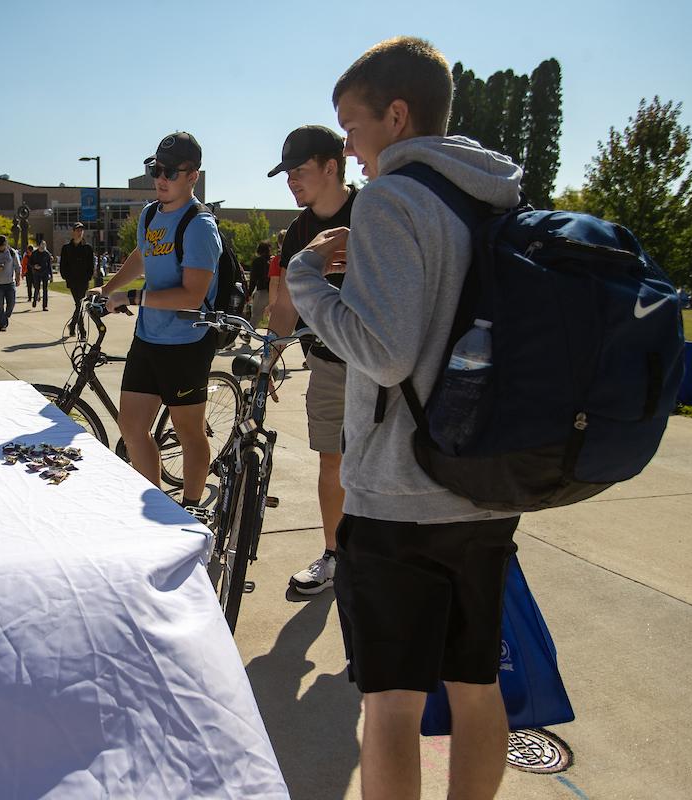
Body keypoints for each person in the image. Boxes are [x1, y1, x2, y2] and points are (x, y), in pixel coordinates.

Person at [287, 37, 523, 800]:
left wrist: (309, 283)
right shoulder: (491, 195)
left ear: (397, 114)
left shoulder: (392, 197)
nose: (351, 150)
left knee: (392, 700)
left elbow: (383, 355)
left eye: (352, 130)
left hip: (399, 493)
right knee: (476, 684)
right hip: (485, 483)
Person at [92, 132, 221, 509]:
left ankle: (193, 509)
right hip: (149, 338)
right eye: (155, 169)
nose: (161, 178)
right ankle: (155, 503)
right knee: (131, 426)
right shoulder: (150, 214)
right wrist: (106, 288)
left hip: (186, 344)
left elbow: (192, 295)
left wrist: (131, 297)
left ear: (193, 175)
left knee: (189, 435)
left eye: (171, 172)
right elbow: (142, 255)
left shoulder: (199, 226)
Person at [264, 125, 358, 597]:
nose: (291, 181)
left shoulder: (374, 211)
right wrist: (267, 359)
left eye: (299, 171)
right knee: (331, 460)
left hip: (379, 368)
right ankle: (334, 555)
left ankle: (378, 560)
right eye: (287, 173)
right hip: (326, 362)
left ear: (331, 166)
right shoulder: (299, 231)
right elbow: (285, 307)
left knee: (383, 467)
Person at [59, 222, 95, 338]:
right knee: (79, 304)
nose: (79, 232)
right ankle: (80, 330)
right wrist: (66, 277)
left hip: (84, 281)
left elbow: (91, 264)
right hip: (72, 281)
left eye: (81, 230)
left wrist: (89, 276)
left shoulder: (87, 248)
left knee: (79, 305)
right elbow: (63, 265)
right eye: (77, 230)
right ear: (73, 232)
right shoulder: (66, 248)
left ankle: (74, 326)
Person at [247, 241, 271, 328]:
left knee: (256, 315)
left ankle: (248, 334)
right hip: (274, 292)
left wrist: (249, 293)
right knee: (273, 317)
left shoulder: (257, 262)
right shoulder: (273, 260)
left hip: (262, 291)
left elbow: (253, 279)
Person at [29, 240, 53, 311]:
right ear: (39, 245)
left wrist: (51, 276)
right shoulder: (34, 253)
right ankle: (34, 300)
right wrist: (34, 266)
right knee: (37, 288)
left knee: (45, 290)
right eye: (42, 244)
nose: (43, 246)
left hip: (45, 273)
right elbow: (30, 263)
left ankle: (44, 306)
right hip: (36, 273)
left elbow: (49, 265)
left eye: (44, 245)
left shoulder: (47, 254)